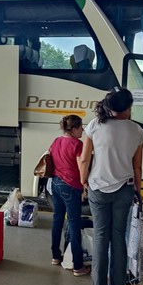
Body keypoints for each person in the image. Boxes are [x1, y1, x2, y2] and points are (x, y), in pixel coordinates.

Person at [79, 87, 143, 285]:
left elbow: (85, 159)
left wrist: (83, 180)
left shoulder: (95, 126)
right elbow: (137, 166)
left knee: (100, 238)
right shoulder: (136, 130)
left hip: (98, 188)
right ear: (128, 108)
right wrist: (137, 190)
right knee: (118, 239)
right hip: (124, 189)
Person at [49, 114, 89, 276]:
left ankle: (55, 256)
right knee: (74, 223)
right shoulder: (77, 144)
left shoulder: (56, 141)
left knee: (57, 219)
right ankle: (78, 266)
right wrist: (85, 184)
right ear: (73, 129)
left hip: (55, 184)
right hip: (71, 186)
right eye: (80, 127)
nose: (83, 130)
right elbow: (81, 166)